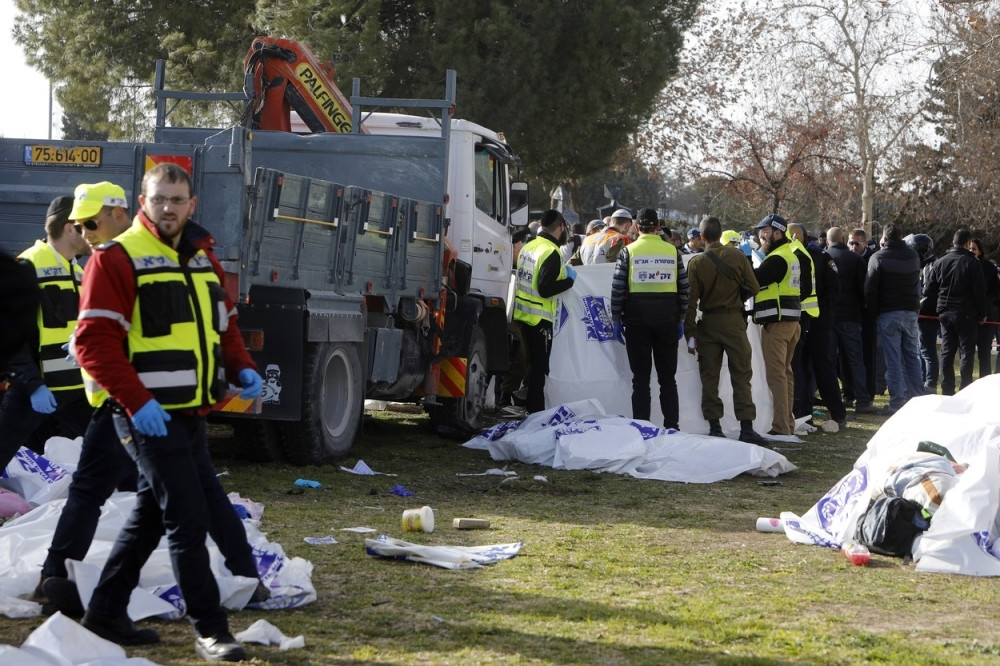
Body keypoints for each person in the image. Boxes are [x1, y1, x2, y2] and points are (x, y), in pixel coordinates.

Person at [73, 164, 264, 661]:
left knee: (150, 517)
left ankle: (105, 613)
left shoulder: (203, 258)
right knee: (186, 516)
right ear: (142, 201)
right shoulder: (115, 259)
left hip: (191, 414)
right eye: (159, 199)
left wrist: (242, 367)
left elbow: (227, 326)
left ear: (192, 204)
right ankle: (212, 629)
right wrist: (139, 403)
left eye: (177, 200)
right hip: (144, 417)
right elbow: (92, 344)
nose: (168, 208)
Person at [0, 196, 93, 471]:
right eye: (84, 224)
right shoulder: (28, 266)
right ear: (68, 228)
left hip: (75, 387)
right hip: (35, 389)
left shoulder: (77, 271)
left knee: (114, 452)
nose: (91, 232)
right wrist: (33, 385)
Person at [684, 215, 766, 444]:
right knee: (742, 375)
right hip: (734, 322)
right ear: (721, 235)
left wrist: (690, 333)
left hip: (709, 324)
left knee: (709, 377)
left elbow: (690, 303)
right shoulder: (737, 256)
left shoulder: (696, 263)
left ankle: (715, 427)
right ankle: (747, 428)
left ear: (701, 237)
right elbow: (754, 287)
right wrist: (737, 298)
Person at [609, 208, 689, 430]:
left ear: (636, 227)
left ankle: (643, 428)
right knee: (668, 380)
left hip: (637, 321)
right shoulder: (673, 252)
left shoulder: (628, 251)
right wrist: (681, 317)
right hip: (667, 321)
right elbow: (685, 288)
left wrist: (616, 318)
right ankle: (672, 427)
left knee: (640, 381)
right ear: (657, 226)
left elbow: (617, 288)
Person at [513, 209, 576, 414]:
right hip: (539, 319)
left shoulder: (528, 247)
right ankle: (536, 411)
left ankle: (525, 405)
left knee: (531, 365)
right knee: (540, 369)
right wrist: (568, 281)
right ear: (561, 227)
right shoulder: (551, 251)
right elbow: (545, 288)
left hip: (522, 315)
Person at [789, 223, 847, 431]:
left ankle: (835, 413)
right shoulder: (799, 256)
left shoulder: (819, 257)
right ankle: (806, 414)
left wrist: (821, 310)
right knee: (805, 369)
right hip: (805, 321)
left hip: (815, 322)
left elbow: (833, 289)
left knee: (820, 368)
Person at [864, 224, 923, 415]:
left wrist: (872, 312)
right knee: (912, 357)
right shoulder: (913, 256)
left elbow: (870, 289)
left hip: (888, 313)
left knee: (893, 360)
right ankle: (918, 398)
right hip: (910, 312)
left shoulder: (878, 257)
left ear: (885, 238)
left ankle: (897, 402)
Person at [752, 214, 803, 436]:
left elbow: (754, 279)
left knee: (777, 377)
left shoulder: (777, 258)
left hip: (778, 324)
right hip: (791, 322)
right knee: (785, 375)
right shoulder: (788, 255)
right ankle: (787, 424)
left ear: (777, 232)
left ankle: (781, 427)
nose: (760, 236)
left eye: (764, 231)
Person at [925, 229, 987, 395]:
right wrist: (982, 313)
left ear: (953, 242)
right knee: (966, 352)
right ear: (967, 244)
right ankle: (965, 388)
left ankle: (947, 388)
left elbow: (930, 289)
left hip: (944, 311)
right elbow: (979, 292)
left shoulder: (940, 262)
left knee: (947, 351)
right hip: (966, 312)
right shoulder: (973, 263)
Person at [826, 226, 875, 413]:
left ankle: (837, 399)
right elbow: (864, 289)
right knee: (855, 359)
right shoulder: (855, 259)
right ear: (844, 239)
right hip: (851, 316)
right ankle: (862, 399)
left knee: (830, 360)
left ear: (829, 241)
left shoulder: (824, 257)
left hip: (829, 316)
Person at [905, 233, 940, 393]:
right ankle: (925, 380)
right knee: (920, 350)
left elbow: (928, 292)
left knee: (927, 350)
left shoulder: (930, 266)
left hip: (926, 313)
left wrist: (916, 307)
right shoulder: (920, 264)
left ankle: (930, 383)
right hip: (921, 312)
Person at [969, 238, 999, 378]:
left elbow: (995, 292)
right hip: (968, 316)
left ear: (980, 251)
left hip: (986, 317)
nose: (971, 251)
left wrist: (984, 310)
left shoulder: (989, 268)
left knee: (984, 354)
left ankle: (984, 381)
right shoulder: (963, 264)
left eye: (974, 248)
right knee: (966, 353)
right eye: (969, 248)